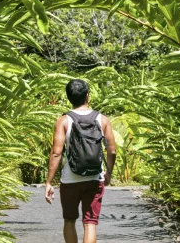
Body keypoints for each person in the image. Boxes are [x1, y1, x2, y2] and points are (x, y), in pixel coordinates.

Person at [45, 79, 117, 243]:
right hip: (94, 178)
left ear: (69, 97)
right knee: (90, 222)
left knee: (69, 220)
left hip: (70, 179)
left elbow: (56, 153)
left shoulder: (63, 121)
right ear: (87, 96)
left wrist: (49, 182)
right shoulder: (103, 119)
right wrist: (109, 173)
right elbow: (112, 150)